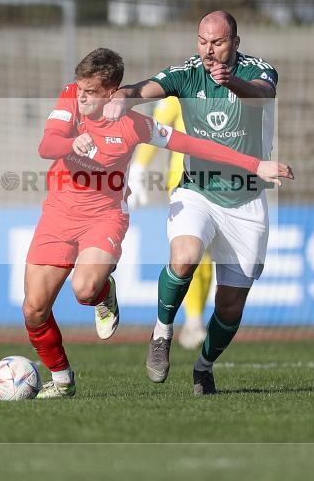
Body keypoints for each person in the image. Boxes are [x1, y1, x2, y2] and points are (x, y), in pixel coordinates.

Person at [24, 47, 292, 399]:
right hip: (58, 213)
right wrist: (71, 141)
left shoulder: (135, 125)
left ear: (111, 93)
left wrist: (256, 165)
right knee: (34, 309)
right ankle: (62, 379)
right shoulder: (70, 98)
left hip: (103, 215)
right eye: (79, 88)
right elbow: (46, 145)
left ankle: (104, 294)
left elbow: (193, 144)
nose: (81, 96)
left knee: (85, 289)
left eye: (90, 91)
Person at [104, 10, 284, 395]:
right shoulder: (187, 73)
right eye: (202, 41)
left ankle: (204, 366)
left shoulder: (259, 70)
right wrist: (123, 98)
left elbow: (263, 95)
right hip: (197, 190)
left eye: (217, 42)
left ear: (235, 42)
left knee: (231, 304)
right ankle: (161, 332)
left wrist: (232, 82)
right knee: (184, 257)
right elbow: (146, 87)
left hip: (246, 200)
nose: (208, 50)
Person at [128, 97, 213, 350]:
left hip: (221, 183)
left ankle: (195, 319)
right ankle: (193, 321)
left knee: (208, 257)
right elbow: (155, 128)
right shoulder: (180, 91)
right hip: (184, 184)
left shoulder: (227, 91)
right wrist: (139, 169)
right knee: (194, 251)